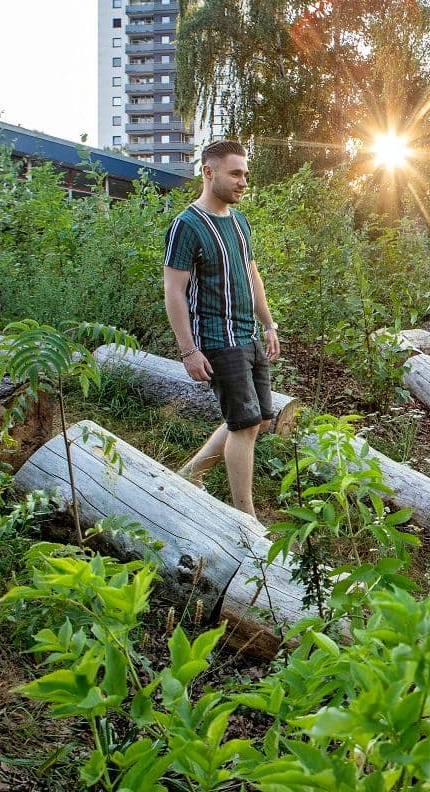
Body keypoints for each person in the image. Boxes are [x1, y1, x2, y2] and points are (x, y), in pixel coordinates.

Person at [162, 139, 280, 518]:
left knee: (260, 420)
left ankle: (191, 473)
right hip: (217, 339)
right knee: (244, 425)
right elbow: (174, 292)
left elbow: (252, 275)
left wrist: (268, 323)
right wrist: (189, 349)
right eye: (235, 173)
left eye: (245, 174)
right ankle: (246, 519)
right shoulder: (187, 226)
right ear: (208, 172)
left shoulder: (240, 221)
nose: (243, 181)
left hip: (246, 333)